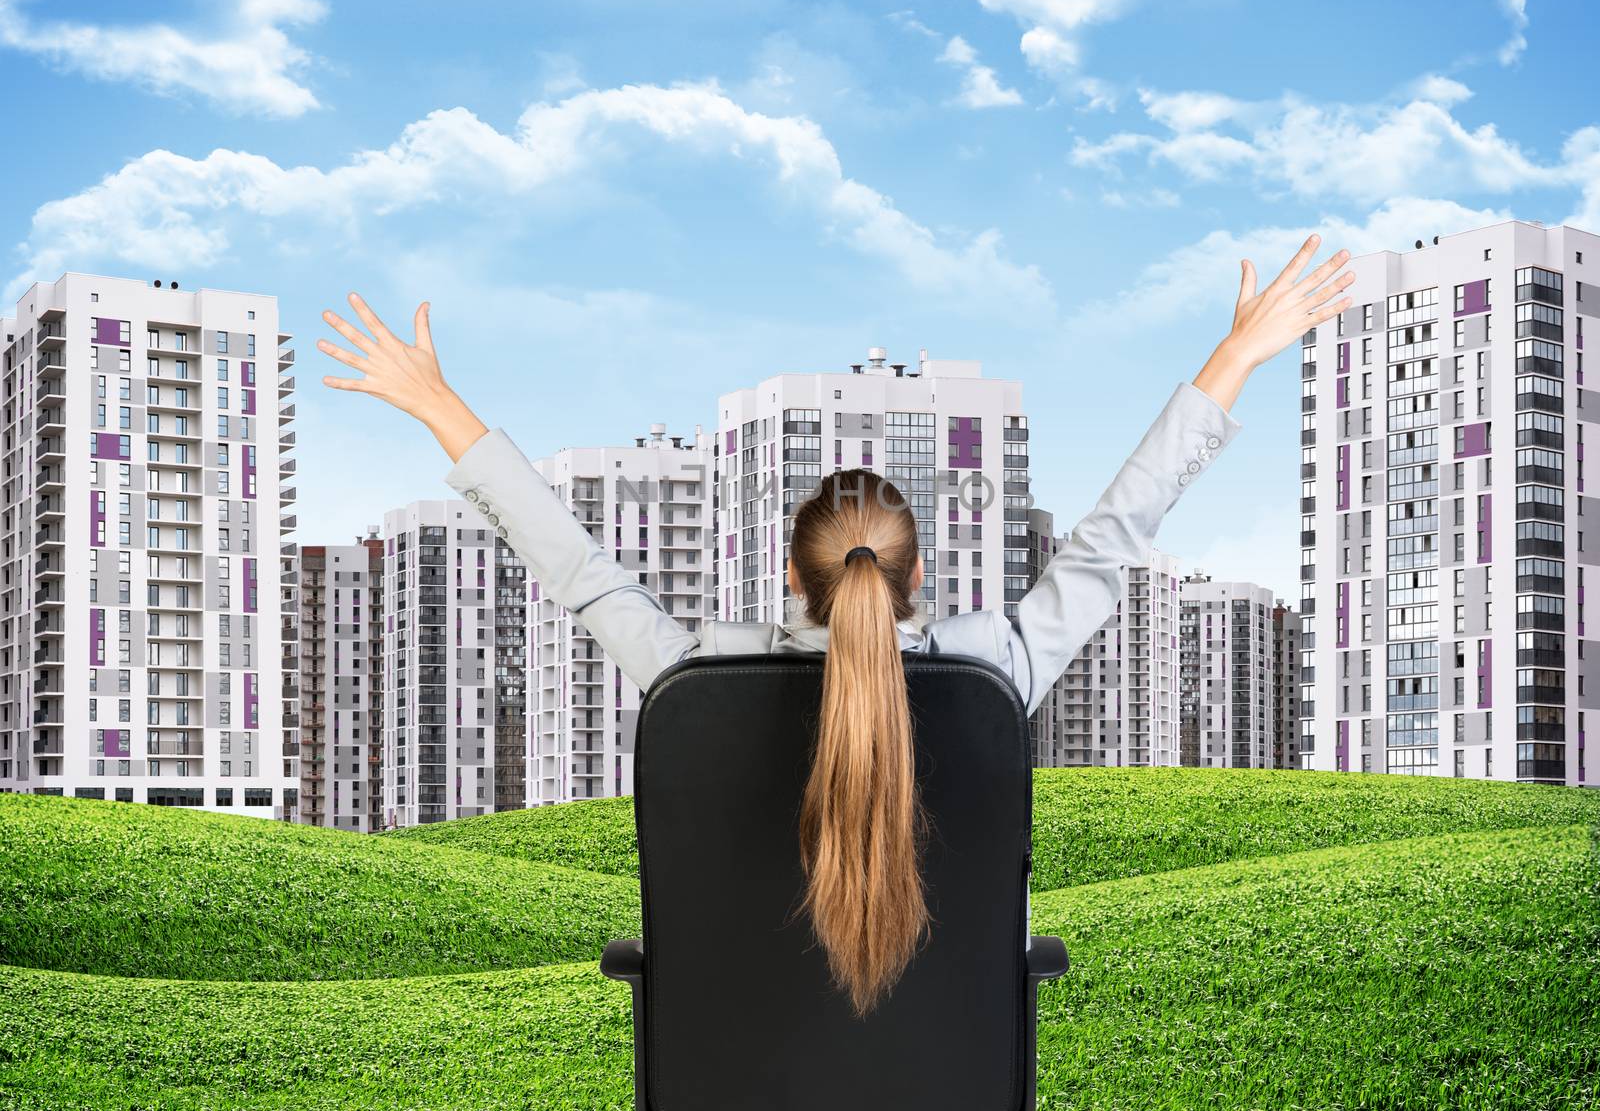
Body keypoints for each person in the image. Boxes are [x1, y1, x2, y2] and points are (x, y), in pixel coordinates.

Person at [319, 233, 1354, 1017]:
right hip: (954, 1095)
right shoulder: (993, 669)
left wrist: (437, 402)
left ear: (788, 576)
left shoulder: (698, 679)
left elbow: (576, 568)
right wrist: (1236, 355)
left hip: (732, 1094)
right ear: (917, 580)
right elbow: (1114, 532)